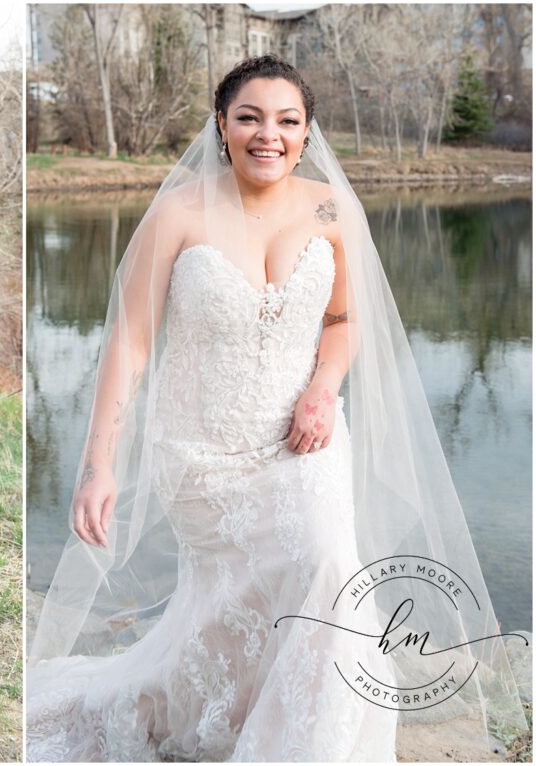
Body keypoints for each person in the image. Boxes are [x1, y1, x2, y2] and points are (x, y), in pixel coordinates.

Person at [26, 55, 528, 761]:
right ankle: (211, 709)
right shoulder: (177, 212)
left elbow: (345, 320)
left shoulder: (329, 207)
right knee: (231, 613)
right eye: (250, 118)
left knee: (326, 566)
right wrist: (96, 467)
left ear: (306, 131)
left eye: (288, 121)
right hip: (201, 454)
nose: (270, 135)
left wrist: (324, 391)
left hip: (305, 439)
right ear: (222, 126)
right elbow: (130, 343)